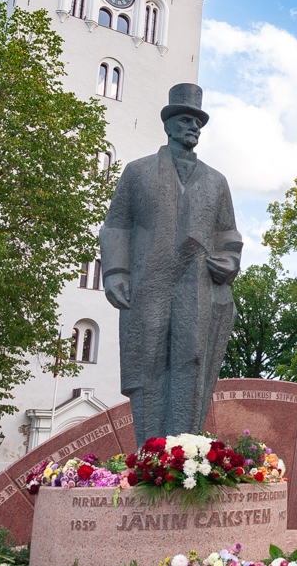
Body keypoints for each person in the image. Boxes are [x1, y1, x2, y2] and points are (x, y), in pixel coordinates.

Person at [100, 83, 242, 446]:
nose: (193, 127)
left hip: (197, 282)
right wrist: (116, 271)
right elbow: (116, 224)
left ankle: (184, 451)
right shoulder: (138, 171)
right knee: (147, 360)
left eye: (198, 123)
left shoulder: (216, 180)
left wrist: (228, 261)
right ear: (167, 125)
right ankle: (149, 453)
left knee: (191, 361)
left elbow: (228, 235)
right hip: (149, 280)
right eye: (184, 120)